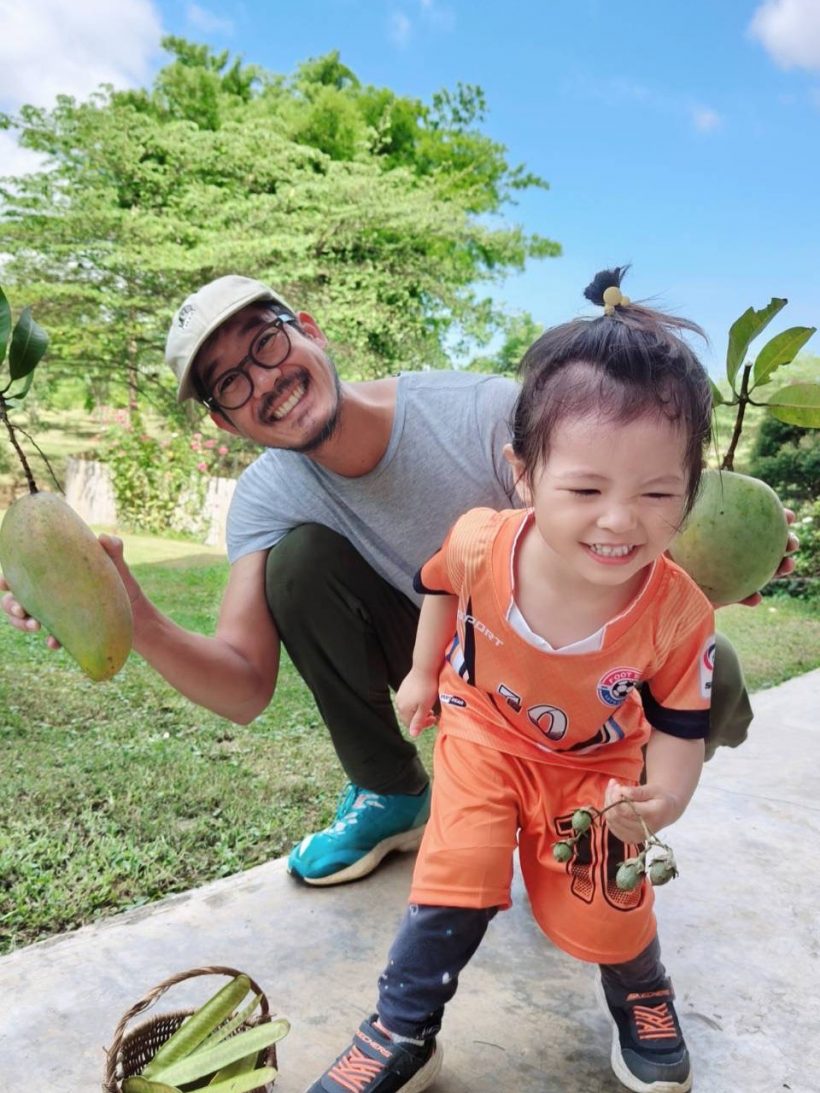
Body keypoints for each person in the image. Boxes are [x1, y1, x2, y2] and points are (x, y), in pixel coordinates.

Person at [0, 273, 793, 890]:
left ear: (307, 331)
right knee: (298, 563)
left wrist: (723, 560)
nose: (263, 381)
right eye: (229, 383)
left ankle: (602, 812)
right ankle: (391, 795)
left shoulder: (481, 413)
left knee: (711, 672)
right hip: (438, 666)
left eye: (265, 345)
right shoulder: (269, 497)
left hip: (558, 654)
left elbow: (620, 500)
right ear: (222, 420)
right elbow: (244, 688)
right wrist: (130, 611)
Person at [305, 268, 725, 1093]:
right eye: (586, 488)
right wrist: (426, 671)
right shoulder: (479, 542)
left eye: (656, 493)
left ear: (689, 494)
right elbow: (437, 584)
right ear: (524, 474)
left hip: (597, 769)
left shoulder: (679, 614)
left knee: (609, 897)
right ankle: (403, 1024)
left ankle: (642, 987)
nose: (618, 519)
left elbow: (680, 726)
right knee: (454, 871)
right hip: (483, 733)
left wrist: (663, 801)